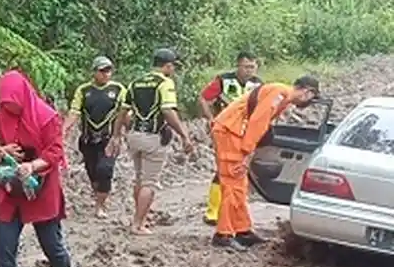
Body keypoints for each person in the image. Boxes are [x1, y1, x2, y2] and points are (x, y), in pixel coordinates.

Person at [0, 70, 73, 267]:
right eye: (5, 103)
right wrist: (0, 151)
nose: (9, 108)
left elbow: (55, 151)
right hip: (12, 189)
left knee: (52, 244)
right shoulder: (2, 116)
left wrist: (33, 165)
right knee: (5, 243)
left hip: (41, 187)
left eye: (13, 103)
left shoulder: (46, 117)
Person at [212, 76, 320, 250]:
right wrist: (248, 152)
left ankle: (242, 230)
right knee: (233, 182)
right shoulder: (279, 94)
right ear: (307, 91)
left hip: (235, 131)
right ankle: (223, 234)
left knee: (240, 184)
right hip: (230, 131)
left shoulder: (282, 97)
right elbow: (258, 122)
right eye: (312, 97)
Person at [118, 48, 196, 236]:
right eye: (173, 66)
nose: (173, 70)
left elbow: (122, 112)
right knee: (150, 183)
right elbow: (168, 111)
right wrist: (184, 135)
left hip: (134, 136)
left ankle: (140, 218)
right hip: (153, 137)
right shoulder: (165, 83)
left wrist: (115, 135)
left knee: (139, 178)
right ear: (167, 66)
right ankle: (138, 224)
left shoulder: (135, 83)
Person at [199, 52, 263, 225]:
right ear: (238, 65)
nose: (249, 70)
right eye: (246, 66)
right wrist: (210, 118)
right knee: (222, 169)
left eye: (253, 67)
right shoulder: (223, 80)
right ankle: (212, 211)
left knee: (239, 171)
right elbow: (204, 98)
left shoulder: (258, 84)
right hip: (225, 131)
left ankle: (233, 209)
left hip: (246, 132)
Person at [64, 56, 127, 218]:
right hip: (88, 139)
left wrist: (126, 129)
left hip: (109, 139)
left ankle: (100, 205)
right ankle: (99, 194)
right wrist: (64, 129)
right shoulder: (84, 90)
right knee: (92, 172)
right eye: (102, 71)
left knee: (104, 170)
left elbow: (125, 111)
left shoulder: (118, 89)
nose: (106, 74)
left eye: (109, 70)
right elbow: (75, 112)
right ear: (94, 72)